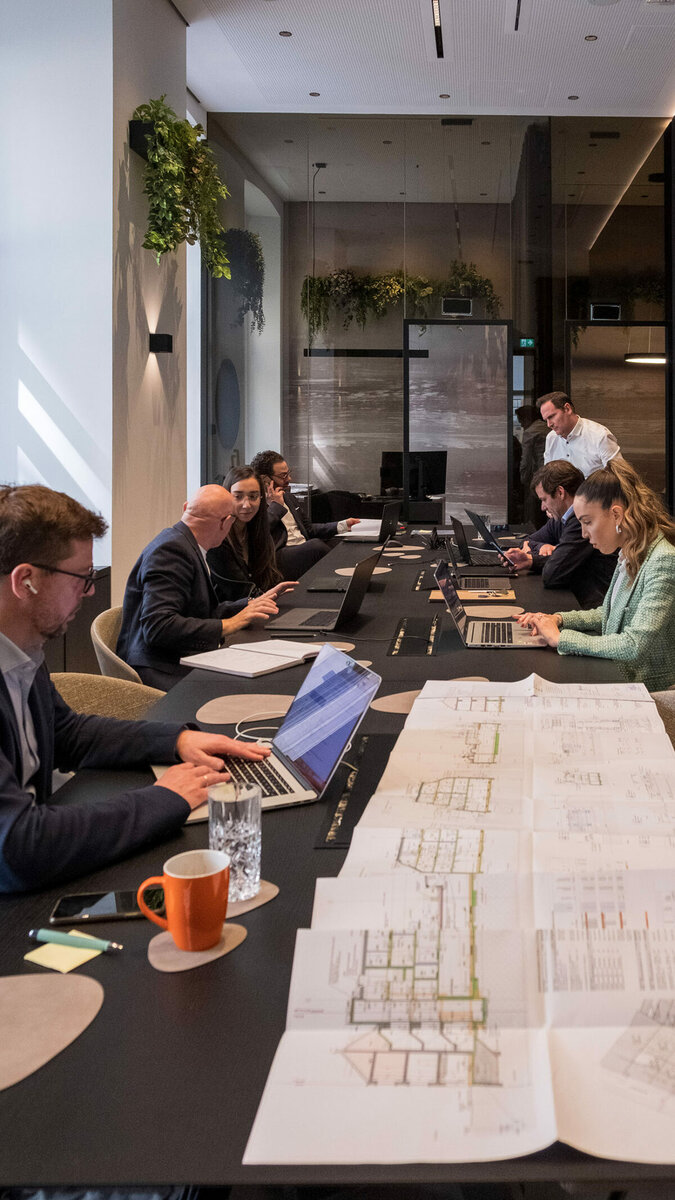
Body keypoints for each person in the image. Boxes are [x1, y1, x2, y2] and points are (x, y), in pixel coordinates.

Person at [0, 484, 271, 894]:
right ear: (26, 581)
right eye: (81, 578)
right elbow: (19, 846)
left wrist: (176, 740)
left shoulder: (23, 649)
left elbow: (65, 733)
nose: (90, 591)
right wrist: (165, 797)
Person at [517, 458, 675, 692]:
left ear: (616, 515)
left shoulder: (663, 559)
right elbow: (608, 614)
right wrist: (557, 619)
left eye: (588, 522)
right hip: (618, 677)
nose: (583, 534)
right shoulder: (630, 551)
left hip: (648, 692)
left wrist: (561, 639)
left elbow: (634, 644)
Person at [117, 485, 293, 690]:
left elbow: (199, 611)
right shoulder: (172, 551)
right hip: (158, 667)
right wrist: (230, 624)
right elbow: (159, 627)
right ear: (226, 522)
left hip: (170, 657)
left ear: (186, 508)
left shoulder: (183, 542)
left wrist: (251, 604)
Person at [504, 460, 617, 607]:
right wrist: (540, 551)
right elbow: (527, 541)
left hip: (593, 606)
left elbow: (552, 574)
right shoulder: (561, 518)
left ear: (560, 492)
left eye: (544, 499)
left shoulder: (579, 521)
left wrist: (536, 558)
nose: (542, 507)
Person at [249, 450, 361, 578]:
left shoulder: (288, 497)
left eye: (288, 474)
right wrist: (276, 506)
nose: (289, 479)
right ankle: (346, 577)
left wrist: (342, 525)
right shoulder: (254, 504)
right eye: (283, 476)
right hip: (279, 556)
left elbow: (308, 529)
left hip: (303, 548)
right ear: (265, 480)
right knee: (316, 546)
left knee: (339, 545)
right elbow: (258, 534)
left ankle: (349, 576)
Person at [207, 465, 294, 604]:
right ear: (226, 497)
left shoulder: (258, 530)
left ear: (261, 498)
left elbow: (269, 579)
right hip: (233, 611)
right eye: (238, 496)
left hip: (259, 604)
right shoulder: (218, 539)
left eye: (253, 496)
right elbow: (240, 593)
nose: (246, 505)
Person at [538, 391, 621, 476]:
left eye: (551, 417)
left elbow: (619, 476)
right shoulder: (551, 437)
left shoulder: (600, 435)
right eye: (546, 420)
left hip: (594, 484)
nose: (549, 424)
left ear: (567, 409)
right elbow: (547, 477)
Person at [515, 404, 548, 527]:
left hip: (537, 474)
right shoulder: (548, 428)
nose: (522, 425)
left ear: (527, 418)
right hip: (552, 472)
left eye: (521, 421)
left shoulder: (530, 432)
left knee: (532, 511)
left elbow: (526, 459)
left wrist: (523, 479)